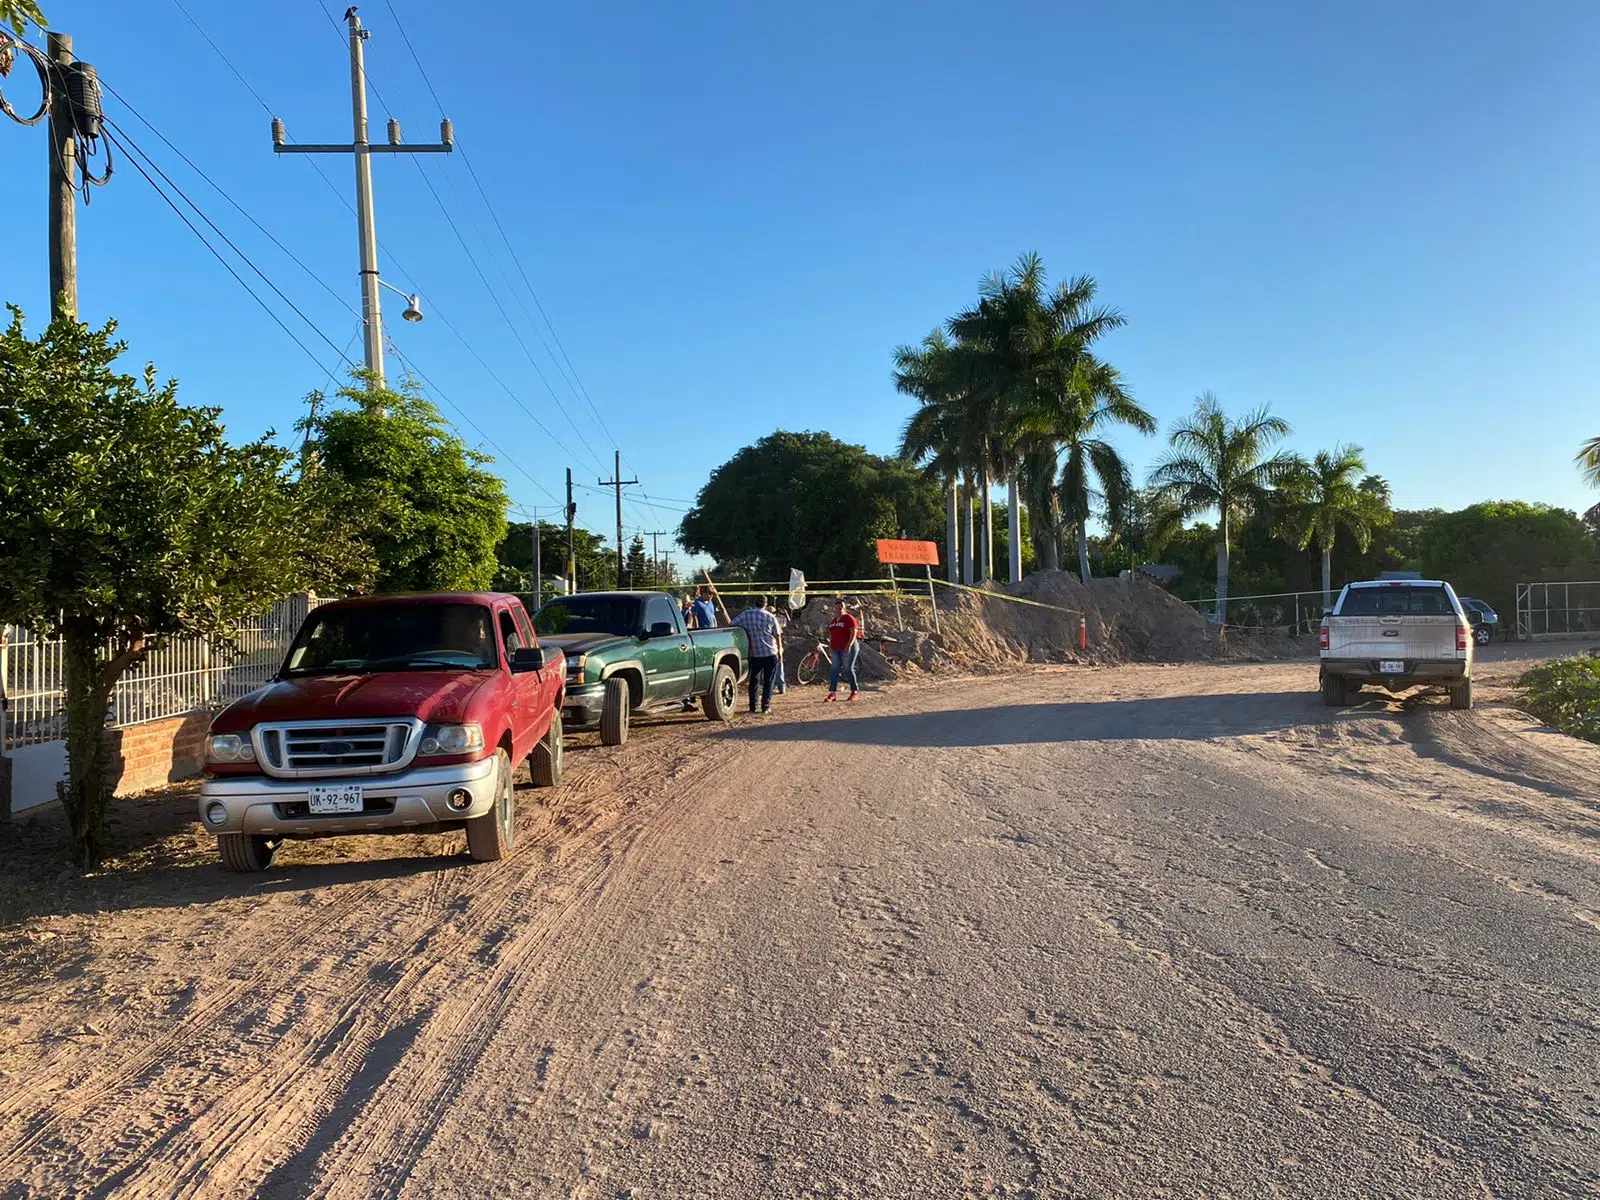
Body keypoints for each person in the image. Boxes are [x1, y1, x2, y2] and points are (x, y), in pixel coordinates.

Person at [731, 595, 783, 714]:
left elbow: (732, 623)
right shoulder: (770, 616)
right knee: (768, 681)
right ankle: (766, 706)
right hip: (770, 652)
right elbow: (778, 634)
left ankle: (753, 706)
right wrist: (780, 650)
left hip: (754, 653)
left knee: (754, 680)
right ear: (765, 604)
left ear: (755, 603)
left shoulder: (746, 615)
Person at [826, 596, 862, 702]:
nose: (839, 609)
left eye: (841, 607)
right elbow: (831, 633)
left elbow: (854, 632)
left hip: (847, 647)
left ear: (844, 608)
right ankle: (832, 693)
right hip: (835, 648)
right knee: (834, 669)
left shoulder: (849, 618)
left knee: (848, 668)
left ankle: (854, 691)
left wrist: (849, 645)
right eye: (837, 607)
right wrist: (830, 643)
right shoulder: (834, 620)